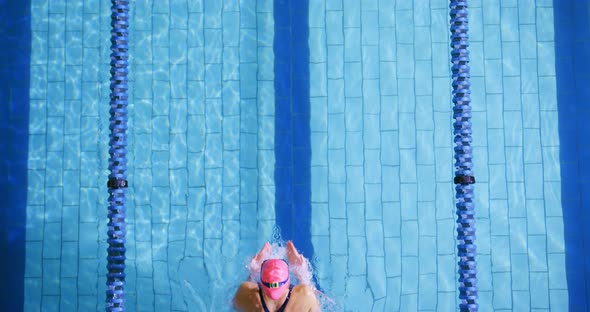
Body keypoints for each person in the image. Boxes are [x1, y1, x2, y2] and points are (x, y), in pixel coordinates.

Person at [233, 241, 320, 312]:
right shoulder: (305, 295)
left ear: (261, 281)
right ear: (287, 282)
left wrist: (253, 271)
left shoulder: (245, 293)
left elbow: (234, 306)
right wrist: (302, 273)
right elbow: (317, 308)